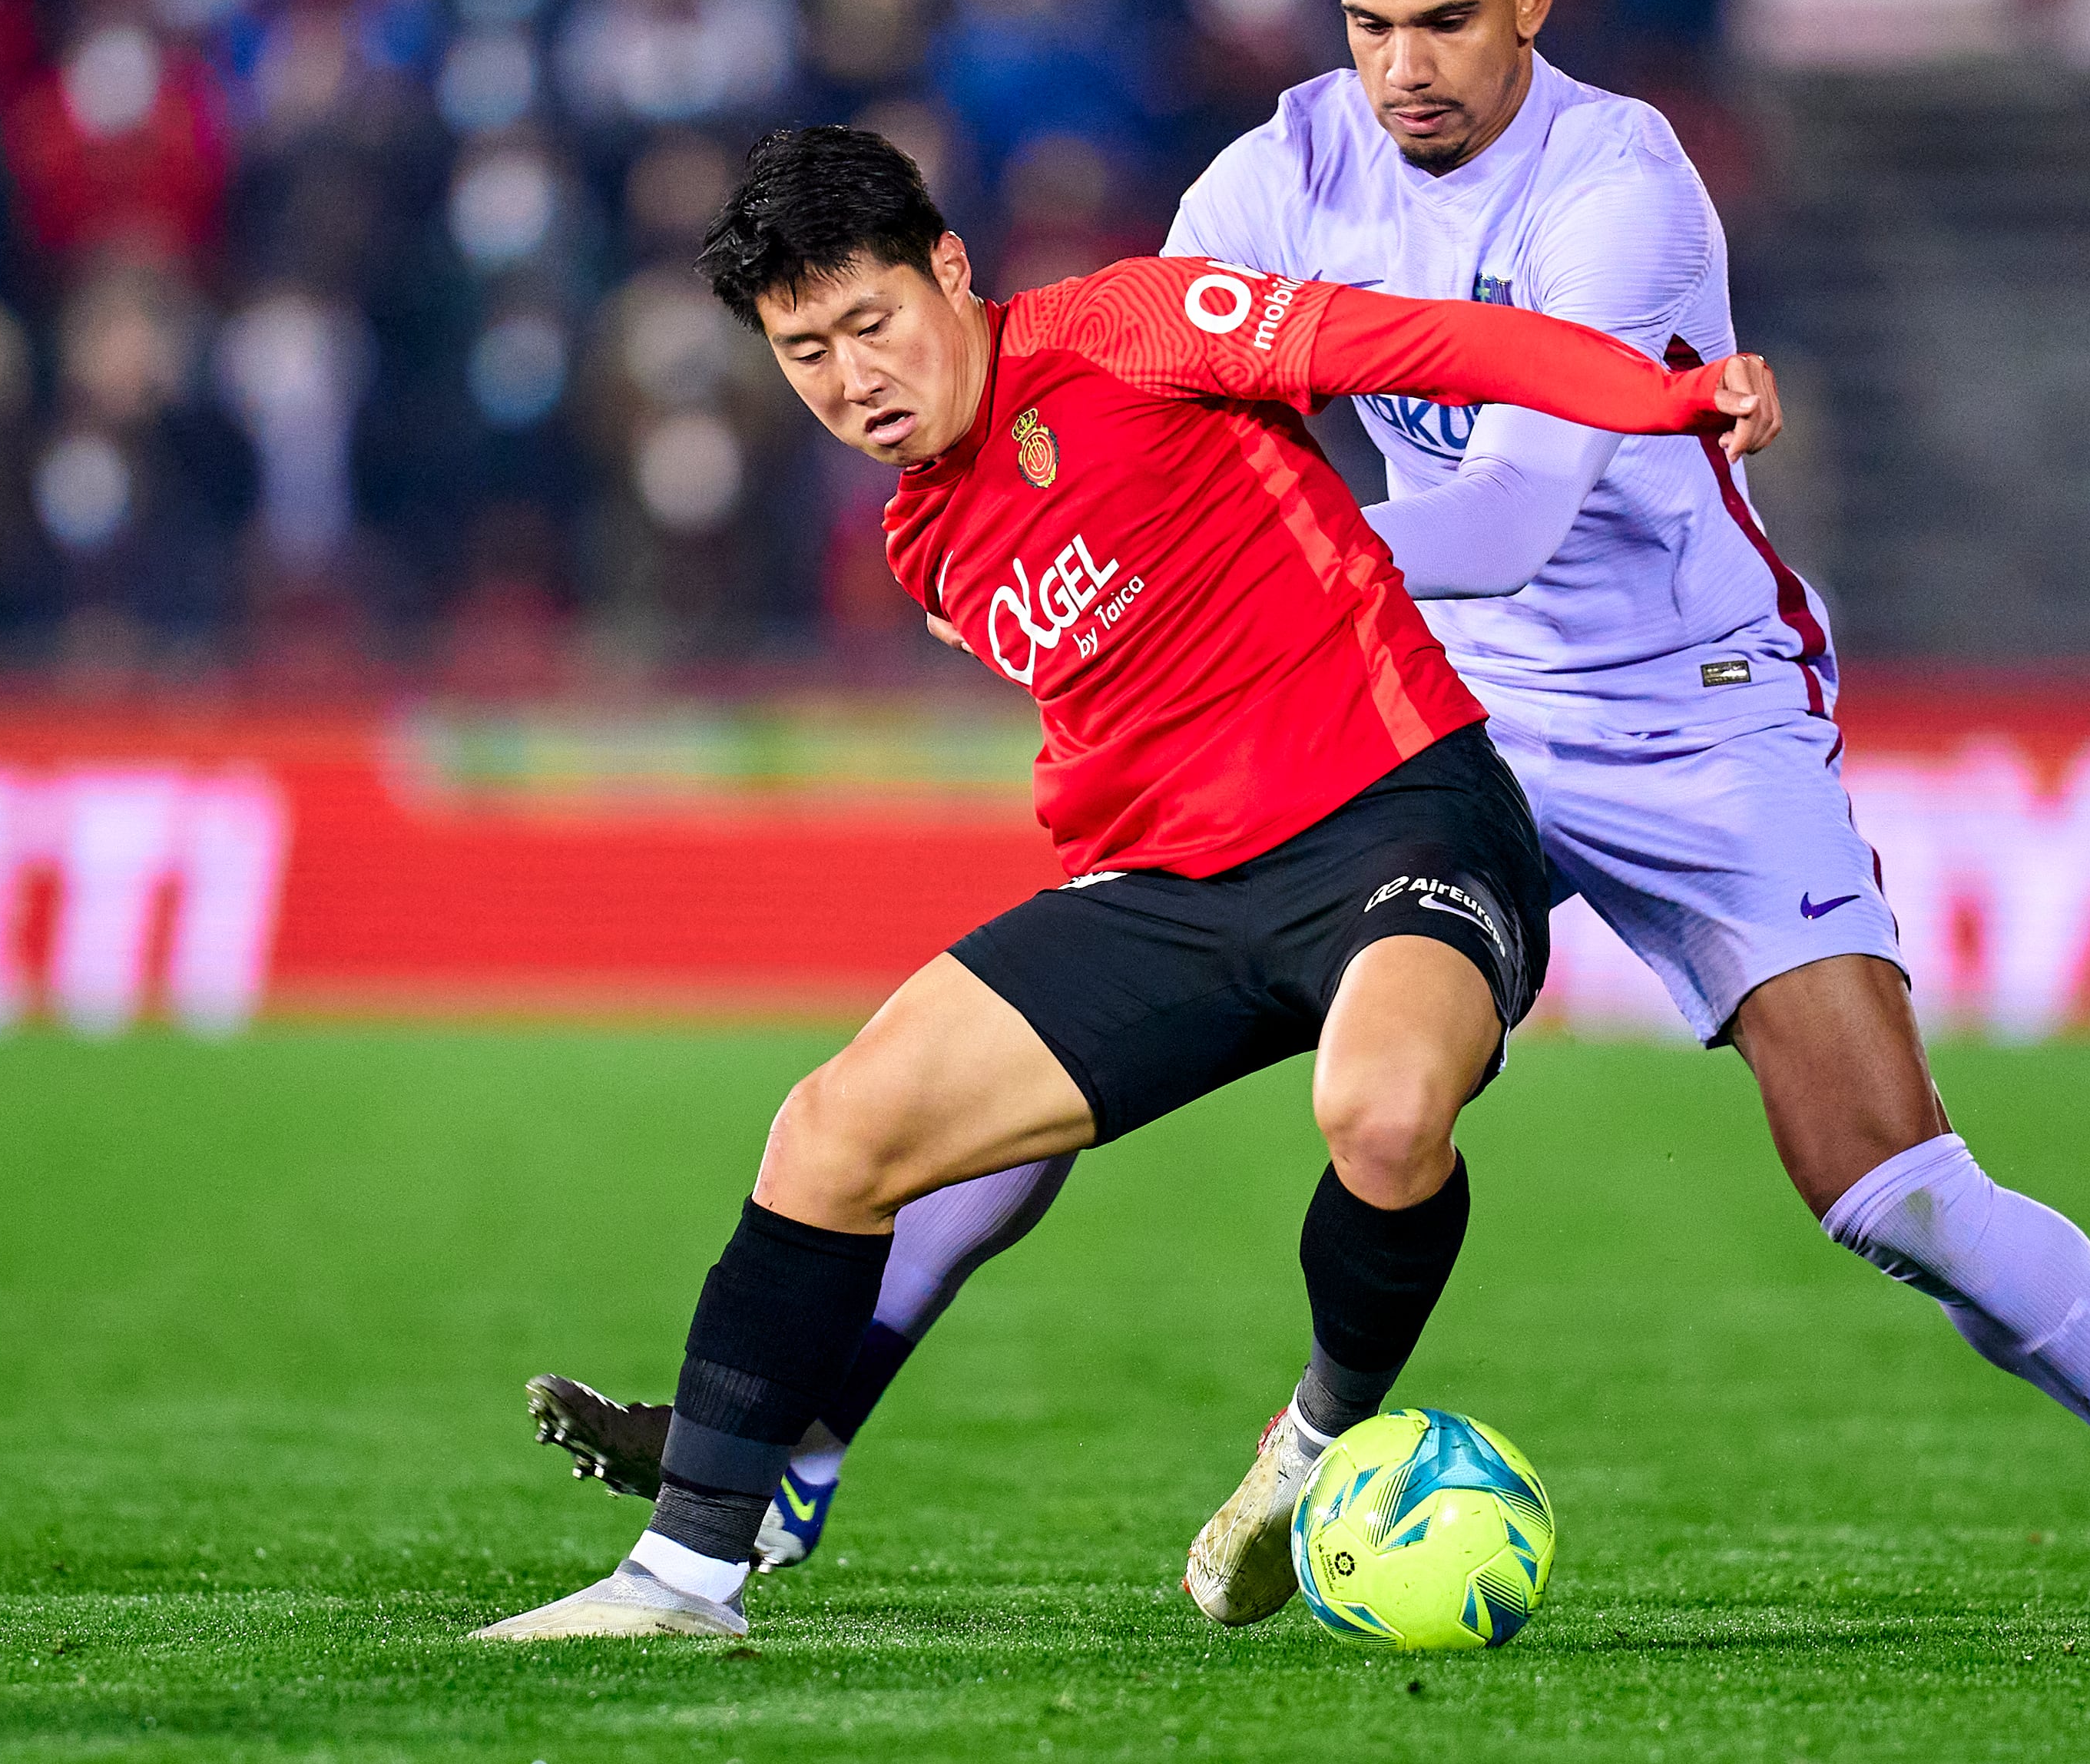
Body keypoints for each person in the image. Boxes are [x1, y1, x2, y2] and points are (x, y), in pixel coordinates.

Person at [526, 0, 2090, 1630]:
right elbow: (1141, 441)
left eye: (1443, 25)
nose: (1398, 68)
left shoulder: (1616, 185)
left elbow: (1498, 519)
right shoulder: (1277, 171)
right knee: (1030, 1076)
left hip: (1677, 710)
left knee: (1885, 1179)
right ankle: (785, 1460)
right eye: (1365, 25)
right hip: (1400, 720)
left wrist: (1224, 595)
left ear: (1528, 1)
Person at [475, 122, 1782, 1639]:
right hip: (1172, 891)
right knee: (831, 1130)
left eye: (871, 322)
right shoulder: (923, 539)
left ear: (948, 271)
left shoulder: (1133, 323)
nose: (852, 380)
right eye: (804, 351)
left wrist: (1666, 395)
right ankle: (684, 1576)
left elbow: (1429, 338)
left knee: (1380, 1107)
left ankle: (1307, 1442)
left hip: (1400, 818)